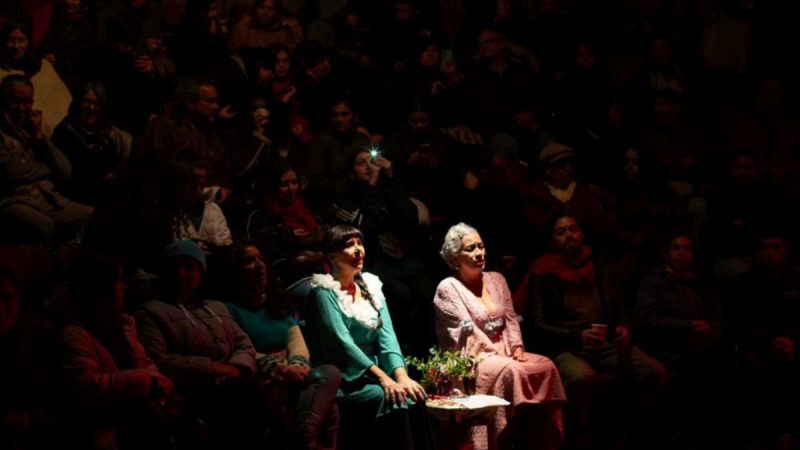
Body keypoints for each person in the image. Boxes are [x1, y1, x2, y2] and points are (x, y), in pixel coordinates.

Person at [517, 210, 666, 450]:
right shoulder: (543, 273)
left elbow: (615, 306)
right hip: (567, 346)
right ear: (552, 240)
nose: (569, 236)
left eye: (573, 230)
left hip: (603, 342)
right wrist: (577, 336)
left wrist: (622, 328)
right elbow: (538, 325)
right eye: (561, 232)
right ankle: (580, 437)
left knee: (654, 371)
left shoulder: (596, 264)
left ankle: (635, 432)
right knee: (582, 376)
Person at [434, 223, 566, 450]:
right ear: (455, 257)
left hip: (505, 352)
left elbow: (511, 318)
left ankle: (545, 440)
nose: (479, 253)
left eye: (480, 247)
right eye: (470, 249)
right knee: (513, 371)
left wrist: (517, 347)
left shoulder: (497, 279)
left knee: (547, 366)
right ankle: (501, 440)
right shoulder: (449, 287)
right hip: (472, 359)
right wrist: (501, 356)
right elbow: (468, 333)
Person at [134, 240, 277, 449]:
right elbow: (159, 358)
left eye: (189, 268)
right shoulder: (150, 312)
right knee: (251, 393)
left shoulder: (216, 307)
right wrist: (214, 368)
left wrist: (236, 368)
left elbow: (243, 344)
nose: (182, 275)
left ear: (200, 273)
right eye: (175, 268)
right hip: (194, 389)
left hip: (231, 380)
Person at [304, 225, 431, 450]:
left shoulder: (371, 286)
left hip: (377, 372)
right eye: (349, 245)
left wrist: (401, 376)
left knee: (414, 395)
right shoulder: (323, 292)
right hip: (347, 378)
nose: (358, 250)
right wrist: (383, 378)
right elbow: (342, 343)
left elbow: (387, 336)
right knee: (390, 399)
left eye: (359, 243)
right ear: (332, 255)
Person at [225, 240, 340, 450]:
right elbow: (237, 348)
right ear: (236, 271)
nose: (260, 266)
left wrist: (297, 365)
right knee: (326, 406)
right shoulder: (229, 310)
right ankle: (305, 441)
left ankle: (305, 437)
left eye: (260, 259)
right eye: (249, 261)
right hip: (263, 376)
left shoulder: (274, 302)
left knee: (329, 373)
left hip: (293, 372)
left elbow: (295, 339)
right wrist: (278, 369)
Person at [54, 252, 175, 449]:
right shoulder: (73, 334)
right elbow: (86, 386)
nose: (124, 287)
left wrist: (159, 382)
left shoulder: (122, 325)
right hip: (102, 428)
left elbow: (142, 360)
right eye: (119, 280)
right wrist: (146, 379)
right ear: (102, 288)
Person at [0, 75, 93, 243]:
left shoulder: (29, 128)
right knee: (43, 226)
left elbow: (65, 170)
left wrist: (39, 136)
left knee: (90, 215)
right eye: (15, 101)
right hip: (11, 200)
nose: (22, 108)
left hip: (45, 197)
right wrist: (46, 168)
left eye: (27, 102)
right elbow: (12, 171)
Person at [0, 20, 72, 138]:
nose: (16, 46)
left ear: (29, 41)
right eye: (10, 40)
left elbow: (63, 102)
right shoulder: (1, 71)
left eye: (21, 40)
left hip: (52, 132)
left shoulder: (43, 67)